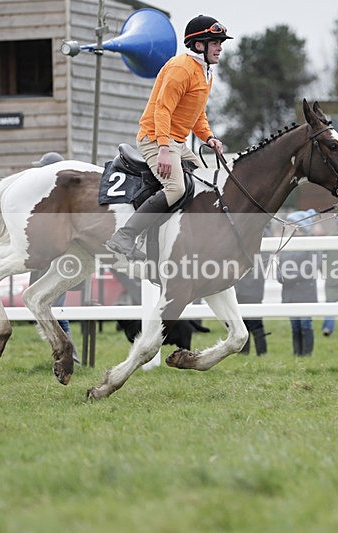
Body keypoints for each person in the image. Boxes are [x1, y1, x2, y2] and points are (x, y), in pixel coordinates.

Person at [105, 14, 230, 261]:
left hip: (177, 141)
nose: (220, 48)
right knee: (175, 188)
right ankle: (125, 236)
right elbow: (163, 109)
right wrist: (163, 148)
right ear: (199, 45)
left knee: (200, 177)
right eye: (215, 42)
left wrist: (208, 137)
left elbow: (197, 114)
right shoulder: (180, 68)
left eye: (220, 43)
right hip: (155, 138)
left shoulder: (205, 73)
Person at [29, 151, 71, 335]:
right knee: (49, 307)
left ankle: (71, 356)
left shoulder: (60, 196)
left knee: (54, 309)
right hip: (49, 255)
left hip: (58, 256)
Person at [278, 210, 319, 357]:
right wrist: (282, 276)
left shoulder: (310, 244)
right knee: (295, 325)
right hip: (290, 293)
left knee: (305, 324)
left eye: (291, 223)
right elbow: (279, 269)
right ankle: (297, 354)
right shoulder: (286, 243)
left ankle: (307, 354)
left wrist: (290, 277)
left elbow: (312, 267)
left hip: (304, 292)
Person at [234, 226, 270, 355]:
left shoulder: (263, 232)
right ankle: (244, 352)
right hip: (240, 285)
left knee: (255, 322)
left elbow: (262, 261)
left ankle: (262, 352)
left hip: (253, 286)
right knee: (242, 321)